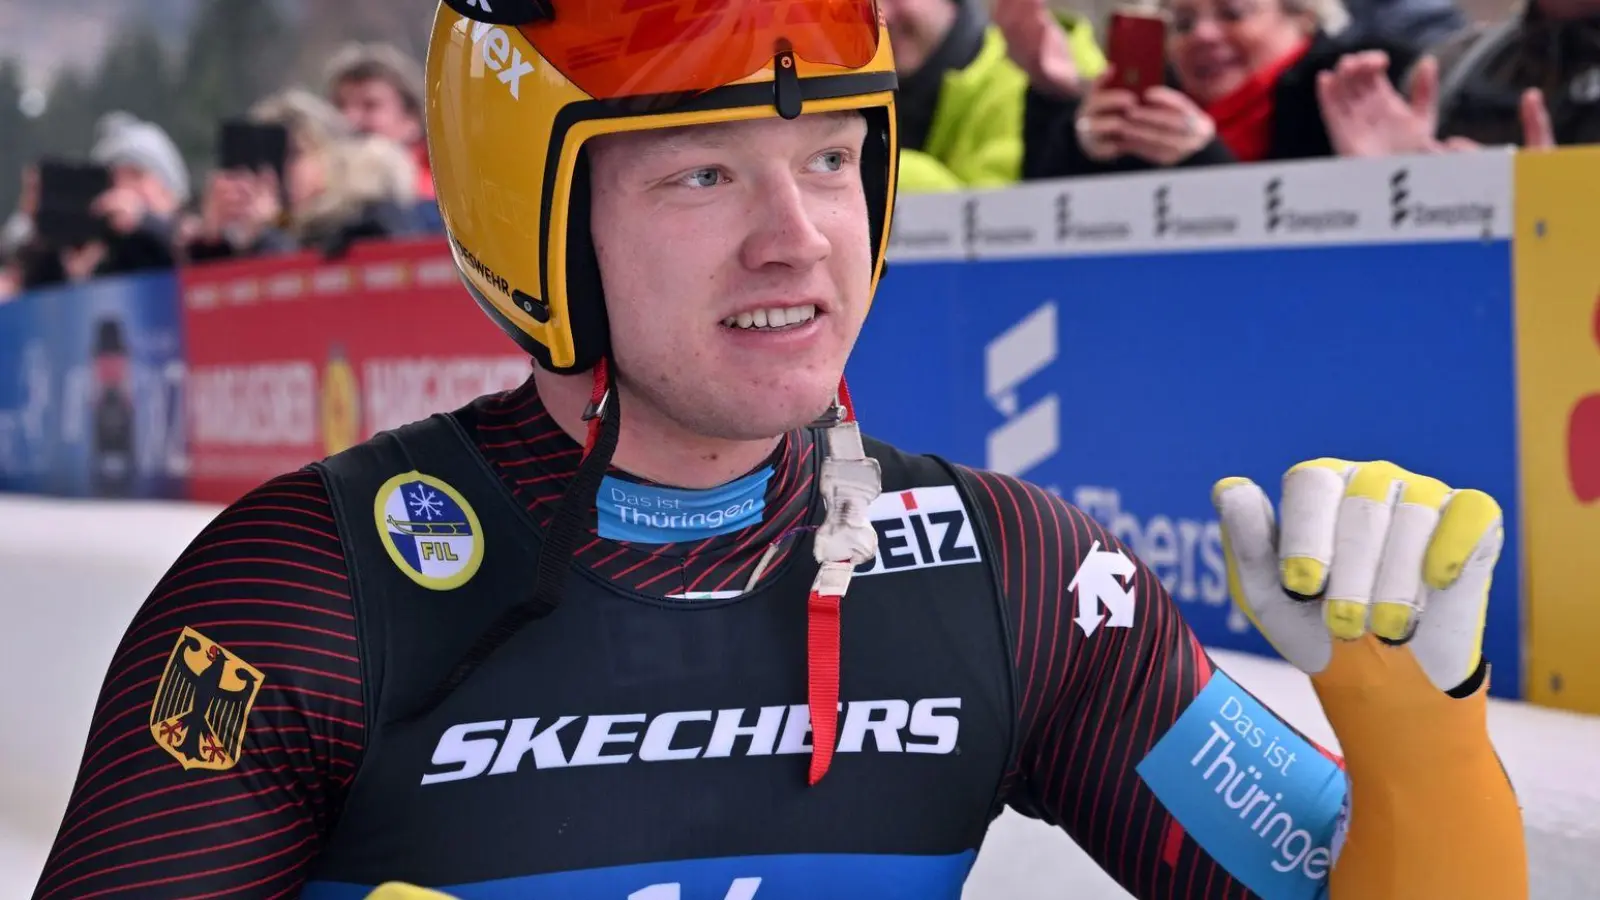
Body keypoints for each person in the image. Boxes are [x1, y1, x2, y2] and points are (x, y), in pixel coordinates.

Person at [30, 1, 1528, 898]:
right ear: (533, 223)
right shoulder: (301, 594)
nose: (797, 240)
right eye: (701, 172)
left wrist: (1422, 745)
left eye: (829, 159)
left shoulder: (1013, 573)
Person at [1018, 0, 1420, 178]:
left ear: (1303, 17)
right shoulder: (1147, 115)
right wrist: (1078, 145)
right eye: (1183, 22)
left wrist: (1203, 163)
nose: (1204, 36)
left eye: (1233, 13)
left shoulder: (1364, 94)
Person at [882, 0, 1105, 192]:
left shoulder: (1041, 67)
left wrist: (869, 166)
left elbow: (1000, 217)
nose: (881, 17)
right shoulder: (871, 86)